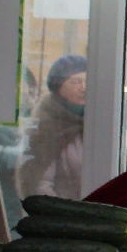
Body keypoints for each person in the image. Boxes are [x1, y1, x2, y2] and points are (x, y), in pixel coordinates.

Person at [17, 55, 86, 199]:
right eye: (76, 82)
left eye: (87, 81)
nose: (83, 88)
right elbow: (37, 184)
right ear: (59, 87)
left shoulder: (99, 125)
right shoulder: (45, 128)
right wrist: (68, 211)